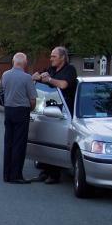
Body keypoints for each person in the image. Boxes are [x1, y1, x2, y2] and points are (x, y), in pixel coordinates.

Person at [31, 46, 78, 184]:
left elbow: (63, 85)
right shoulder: (51, 69)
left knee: (59, 140)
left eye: (54, 56)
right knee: (48, 140)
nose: (51, 58)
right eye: (51, 56)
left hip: (65, 112)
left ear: (62, 57)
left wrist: (49, 80)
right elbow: (40, 76)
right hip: (50, 110)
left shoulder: (70, 70)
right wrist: (37, 76)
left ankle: (55, 174)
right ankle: (45, 171)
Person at [0, 52, 37, 184]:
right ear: (25, 63)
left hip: (8, 110)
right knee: (19, 144)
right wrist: (30, 108)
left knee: (8, 142)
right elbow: (33, 99)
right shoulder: (27, 78)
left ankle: (7, 174)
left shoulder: (5, 75)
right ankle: (16, 175)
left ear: (13, 61)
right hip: (21, 111)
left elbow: (2, 91)